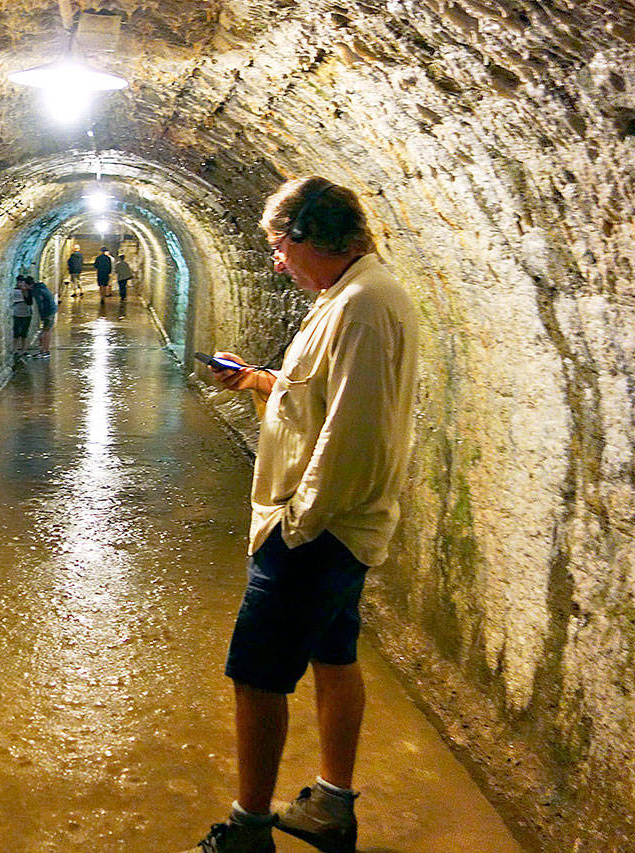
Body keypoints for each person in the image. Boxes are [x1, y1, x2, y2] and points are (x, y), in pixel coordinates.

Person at [186, 177, 418, 853]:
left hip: (319, 530)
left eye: (281, 246)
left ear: (311, 235)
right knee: (333, 651)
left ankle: (249, 828)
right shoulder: (346, 297)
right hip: (333, 527)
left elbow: (354, 434)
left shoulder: (364, 308)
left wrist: (297, 524)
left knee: (255, 675)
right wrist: (260, 380)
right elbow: (317, 396)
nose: (279, 262)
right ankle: (332, 804)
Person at [29, 278, 57, 358]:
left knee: (46, 332)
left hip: (48, 312)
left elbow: (41, 304)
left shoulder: (37, 291)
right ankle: (43, 350)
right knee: (45, 332)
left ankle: (45, 351)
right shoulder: (41, 288)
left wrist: (43, 316)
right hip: (50, 311)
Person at [11, 275, 34, 358]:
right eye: (19, 282)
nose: (20, 284)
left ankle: (24, 349)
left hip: (26, 314)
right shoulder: (14, 290)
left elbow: (29, 302)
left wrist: (24, 292)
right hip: (17, 313)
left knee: (24, 332)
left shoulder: (29, 291)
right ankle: (15, 349)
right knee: (16, 332)